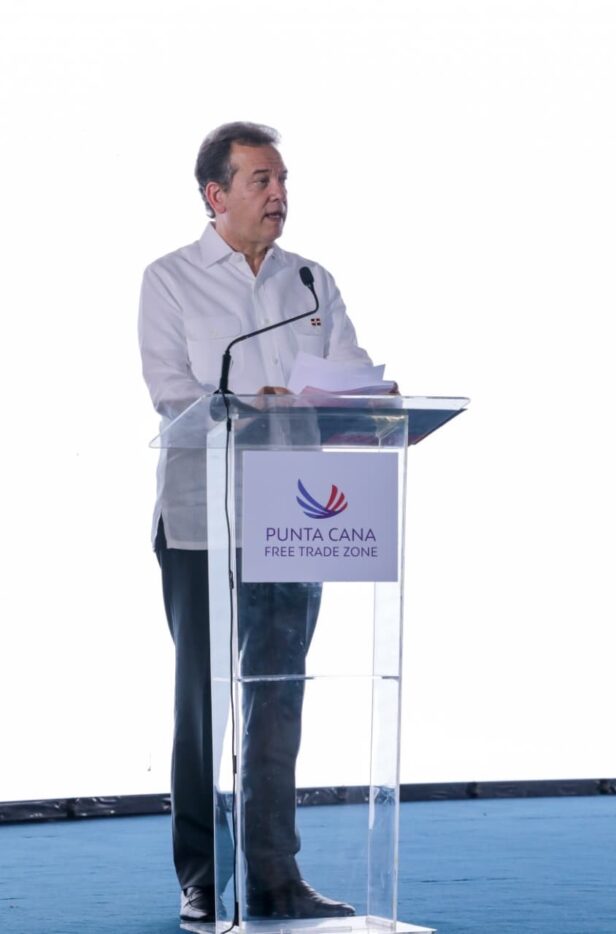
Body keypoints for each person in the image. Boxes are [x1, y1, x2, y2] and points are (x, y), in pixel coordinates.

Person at [138, 122, 372, 924]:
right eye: (261, 180)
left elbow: (348, 375)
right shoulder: (170, 279)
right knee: (202, 702)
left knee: (277, 698)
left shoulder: (310, 280)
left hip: (293, 509)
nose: (279, 194)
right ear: (217, 194)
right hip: (201, 514)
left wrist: (368, 398)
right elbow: (172, 392)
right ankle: (203, 876)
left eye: (283, 180)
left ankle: (276, 877)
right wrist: (247, 405)